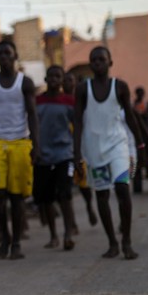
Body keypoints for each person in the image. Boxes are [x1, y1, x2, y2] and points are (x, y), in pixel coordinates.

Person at [73, 46, 143, 260]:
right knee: (102, 195)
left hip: (118, 147)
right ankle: (112, 242)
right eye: (93, 60)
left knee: (123, 188)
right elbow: (77, 121)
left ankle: (127, 242)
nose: (97, 63)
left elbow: (130, 117)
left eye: (101, 59)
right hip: (94, 150)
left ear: (110, 63)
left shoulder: (120, 87)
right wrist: (77, 154)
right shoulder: (83, 89)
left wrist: (140, 144)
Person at [0, 40, 39, 260]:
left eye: (7, 53)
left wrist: (35, 145)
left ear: (15, 55)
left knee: (17, 197)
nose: (3, 57)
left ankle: (17, 243)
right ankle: (5, 237)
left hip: (21, 142)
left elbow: (32, 114)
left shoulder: (25, 83)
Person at [34, 65, 76, 251]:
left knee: (65, 195)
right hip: (43, 156)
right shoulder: (37, 101)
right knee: (47, 198)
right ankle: (53, 236)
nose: (53, 79)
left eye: (57, 76)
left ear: (62, 80)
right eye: (50, 76)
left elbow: (78, 126)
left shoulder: (69, 101)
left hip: (64, 154)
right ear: (45, 79)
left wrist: (77, 152)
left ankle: (68, 233)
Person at [63, 71, 98, 231]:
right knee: (66, 186)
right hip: (64, 150)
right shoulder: (60, 101)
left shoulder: (82, 101)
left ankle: (89, 206)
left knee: (84, 183)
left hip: (81, 148)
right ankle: (71, 222)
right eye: (65, 81)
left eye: (70, 80)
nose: (67, 84)